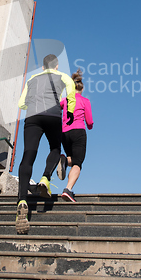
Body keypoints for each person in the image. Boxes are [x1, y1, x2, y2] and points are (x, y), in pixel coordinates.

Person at [15, 54, 76, 234]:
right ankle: (45, 178)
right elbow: (71, 94)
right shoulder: (63, 76)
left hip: (33, 117)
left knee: (28, 154)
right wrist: (70, 112)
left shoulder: (32, 79)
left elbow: (21, 103)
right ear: (56, 66)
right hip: (52, 115)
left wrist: (33, 107)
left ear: (43, 67)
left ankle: (22, 200)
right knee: (56, 148)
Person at [57, 69, 94, 202]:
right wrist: (90, 126)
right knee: (78, 163)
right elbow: (89, 122)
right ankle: (68, 189)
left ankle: (64, 161)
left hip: (64, 133)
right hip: (78, 132)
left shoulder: (66, 100)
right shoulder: (85, 101)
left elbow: (57, 106)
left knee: (72, 158)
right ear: (82, 89)